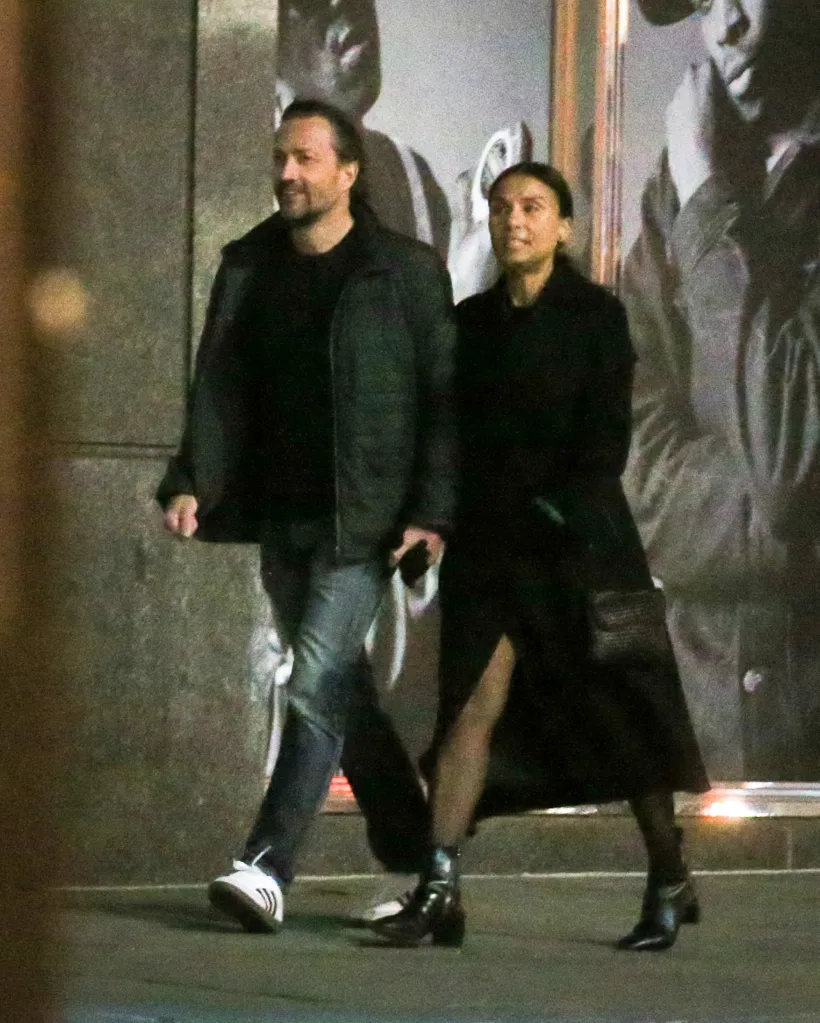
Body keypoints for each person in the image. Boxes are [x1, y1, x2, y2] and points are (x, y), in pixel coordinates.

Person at [368, 162, 710, 951]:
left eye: (532, 207)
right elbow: (447, 437)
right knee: (467, 712)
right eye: (500, 207)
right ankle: (440, 888)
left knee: (624, 721)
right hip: (491, 554)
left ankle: (669, 874)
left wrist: (550, 511)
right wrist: (434, 522)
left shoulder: (596, 317)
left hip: (578, 549)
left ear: (564, 227)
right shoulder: (471, 322)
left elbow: (605, 447)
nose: (512, 220)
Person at [157, 98, 457, 932]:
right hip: (280, 510)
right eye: (280, 158)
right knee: (343, 689)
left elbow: (442, 398)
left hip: (364, 517)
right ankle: (426, 858)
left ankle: (265, 865)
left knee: (317, 680)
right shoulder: (250, 263)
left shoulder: (405, 270)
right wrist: (193, 478)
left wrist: (431, 511)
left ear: (348, 172)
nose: (286, 173)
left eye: (305, 159)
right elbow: (219, 382)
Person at [622, 0, 820, 779]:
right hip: (699, 738)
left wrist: (706, 190)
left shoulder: (693, 176)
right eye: (704, 1)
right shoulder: (674, 185)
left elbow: (786, 450)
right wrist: (794, 532)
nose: (724, 24)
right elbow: (634, 468)